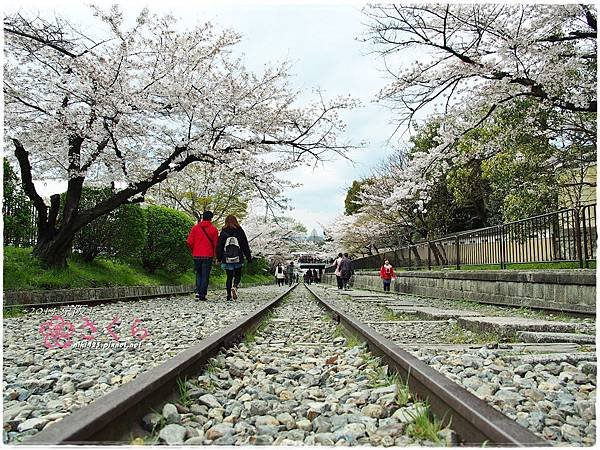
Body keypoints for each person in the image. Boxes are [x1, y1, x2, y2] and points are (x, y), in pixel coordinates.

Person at [216, 215, 252, 301]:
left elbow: (219, 246)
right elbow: (245, 245)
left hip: (227, 258)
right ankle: (235, 286)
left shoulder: (224, 232)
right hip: (238, 257)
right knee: (238, 274)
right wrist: (248, 257)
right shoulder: (240, 231)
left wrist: (219, 258)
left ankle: (228, 296)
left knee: (229, 277)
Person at [187, 211, 219, 301]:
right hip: (208, 255)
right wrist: (216, 256)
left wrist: (194, 250)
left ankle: (197, 292)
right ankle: (202, 294)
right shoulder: (214, 229)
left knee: (199, 274)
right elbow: (216, 244)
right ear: (211, 218)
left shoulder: (195, 228)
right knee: (205, 275)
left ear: (202, 217)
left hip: (197, 255)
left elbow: (189, 242)